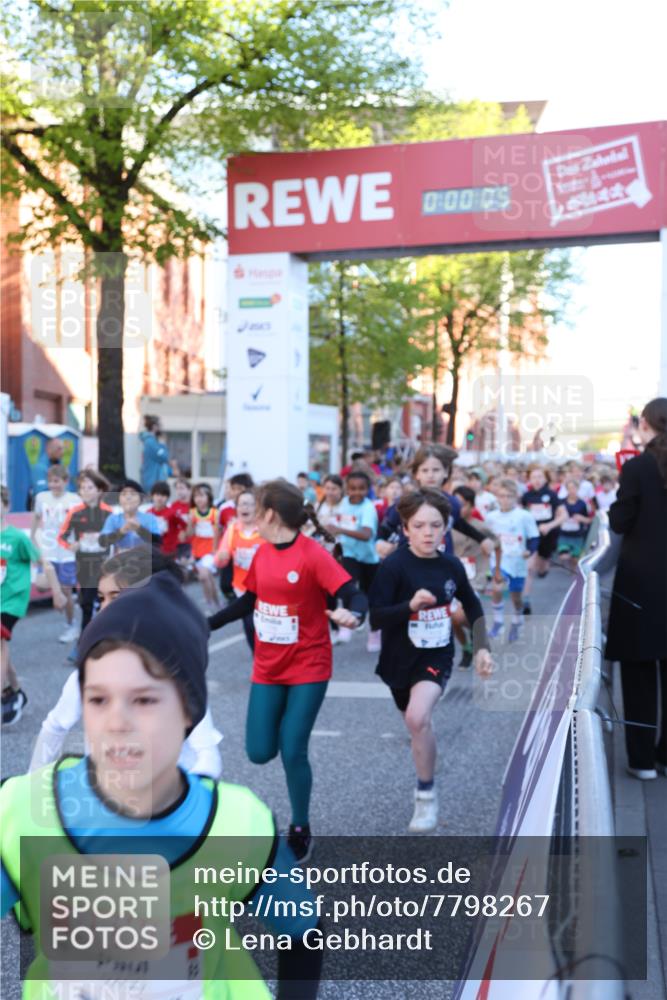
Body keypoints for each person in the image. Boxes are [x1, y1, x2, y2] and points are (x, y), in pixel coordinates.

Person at [1, 572, 323, 1000]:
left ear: (189, 710)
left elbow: (302, 931)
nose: (117, 722)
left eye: (145, 700)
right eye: (98, 699)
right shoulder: (22, 812)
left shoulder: (235, 823)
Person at [209, 479, 368, 860]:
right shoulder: (262, 554)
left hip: (309, 664)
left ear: (270, 514)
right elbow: (249, 600)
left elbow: (353, 592)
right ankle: (284, 736)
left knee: (292, 748)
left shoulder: (312, 555)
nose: (245, 515)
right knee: (259, 751)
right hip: (268, 666)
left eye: (254, 510)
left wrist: (355, 614)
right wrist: (206, 625)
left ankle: (300, 827)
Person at [29, 547, 224, 778]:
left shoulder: (174, 672)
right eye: (102, 598)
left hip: (166, 799)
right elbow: (54, 727)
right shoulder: (92, 671)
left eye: (117, 596)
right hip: (107, 798)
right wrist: (30, 787)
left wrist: (185, 800)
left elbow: (208, 756)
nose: (105, 608)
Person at [369, 490, 493, 832]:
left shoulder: (450, 565)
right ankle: (422, 735)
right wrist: (409, 607)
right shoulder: (393, 566)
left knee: (417, 716)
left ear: (446, 527)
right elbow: (376, 618)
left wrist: (482, 647)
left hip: (437, 654)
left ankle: (425, 795)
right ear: (405, 529)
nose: (428, 533)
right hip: (398, 660)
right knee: (415, 722)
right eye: (419, 526)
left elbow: (473, 604)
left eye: (435, 526)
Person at [605, 397, 667, 780]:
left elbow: (620, 519)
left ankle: (642, 760)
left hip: (642, 585)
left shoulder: (637, 467)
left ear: (645, 425)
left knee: (639, 675)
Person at [1, 486, 67, 725]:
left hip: (13, 600)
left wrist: (57, 592)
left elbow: (45, 563)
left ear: (6, 507)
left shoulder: (17, 538)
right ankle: (15, 692)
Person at [329, 470, 381, 651]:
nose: (357, 492)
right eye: (353, 488)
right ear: (347, 489)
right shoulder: (343, 504)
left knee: (373, 597)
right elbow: (337, 526)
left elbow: (366, 535)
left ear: (368, 489)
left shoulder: (368, 508)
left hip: (369, 558)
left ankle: (374, 632)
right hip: (349, 554)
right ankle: (348, 623)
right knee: (347, 588)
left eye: (362, 488)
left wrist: (340, 530)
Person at [57, 469, 113, 633]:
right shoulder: (75, 512)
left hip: (104, 562)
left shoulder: (108, 512)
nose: (85, 491)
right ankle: (86, 638)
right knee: (86, 603)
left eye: (90, 487)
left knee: (102, 599)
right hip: (83, 562)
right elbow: (61, 537)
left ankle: (95, 635)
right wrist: (71, 545)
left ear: (100, 490)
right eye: (82, 488)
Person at [484, 478, 540, 642]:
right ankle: (498, 622)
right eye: (502, 496)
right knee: (497, 587)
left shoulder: (524, 516)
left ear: (516, 497)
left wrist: (529, 551)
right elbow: (486, 537)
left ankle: (517, 620)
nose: (505, 500)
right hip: (499, 561)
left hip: (517, 562)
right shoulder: (491, 517)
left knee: (516, 597)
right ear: (497, 497)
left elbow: (534, 537)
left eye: (509, 496)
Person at [30, 464, 80, 643]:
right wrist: (34, 541)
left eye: (57, 481)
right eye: (50, 481)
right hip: (48, 549)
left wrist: (78, 542)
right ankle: (58, 593)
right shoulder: (41, 498)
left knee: (66, 591)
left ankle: (71, 624)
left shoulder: (74, 499)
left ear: (66, 482)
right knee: (41, 585)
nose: (53, 485)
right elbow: (35, 520)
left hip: (66, 552)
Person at [214, 489, 264, 650]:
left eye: (250, 504)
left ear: (257, 508)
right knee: (250, 625)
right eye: (242, 504)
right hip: (242, 588)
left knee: (263, 627)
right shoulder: (232, 530)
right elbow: (221, 560)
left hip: (265, 589)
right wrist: (221, 558)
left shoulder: (265, 529)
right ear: (236, 508)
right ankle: (257, 659)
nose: (246, 508)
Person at [520, 465, 562, 614]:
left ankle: (544, 568)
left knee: (542, 566)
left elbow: (563, 516)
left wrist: (549, 525)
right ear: (529, 479)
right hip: (532, 535)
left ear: (545, 478)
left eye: (539, 477)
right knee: (529, 568)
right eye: (533, 477)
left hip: (548, 535)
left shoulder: (552, 495)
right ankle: (525, 601)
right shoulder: (526, 496)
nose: (537, 480)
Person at [99, 479, 161, 552]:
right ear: (119, 500)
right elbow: (102, 542)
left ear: (141, 499)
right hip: (120, 560)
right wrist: (122, 531)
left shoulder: (150, 518)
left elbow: (158, 542)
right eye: (124, 494)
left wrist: (139, 529)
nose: (128, 498)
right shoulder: (113, 519)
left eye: (133, 494)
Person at [187, 481, 221, 613]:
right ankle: (216, 602)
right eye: (196, 496)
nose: (199, 499)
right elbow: (190, 533)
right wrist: (190, 522)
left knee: (203, 576)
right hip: (197, 550)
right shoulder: (192, 512)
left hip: (210, 551)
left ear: (208, 497)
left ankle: (209, 603)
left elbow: (217, 532)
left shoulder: (214, 512)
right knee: (208, 578)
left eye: (202, 495)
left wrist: (215, 550)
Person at [555, 477, 593, 569]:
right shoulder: (561, 502)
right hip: (564, 534)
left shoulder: (582, 504)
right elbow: (555, 517)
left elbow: (589, 520)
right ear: (566, 489)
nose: (572, 490)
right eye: (569, 488)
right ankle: (569, 558)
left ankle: (575, 576)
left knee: (575, 561)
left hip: (577, 535)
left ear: (578, 488)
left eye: (574, 488)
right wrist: (560, 518)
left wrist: (581, 518)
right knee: (563, 556)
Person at [147, 480, 183, 556]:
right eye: (157, 495)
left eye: (163, 495)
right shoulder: (148, 513)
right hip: (153, 552)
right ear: (152, 496)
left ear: (168, 497)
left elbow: (184, 526)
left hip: (170, 552)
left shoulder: (173, 513)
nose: (160, 498)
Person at [139, 414, 171, 494]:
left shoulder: (152, 441)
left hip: (154, 482)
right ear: (154, 427)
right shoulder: (150, 442)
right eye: (159, 425)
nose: (161, 428)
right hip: (152, 482)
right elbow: (164, 457)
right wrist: (162, 444)